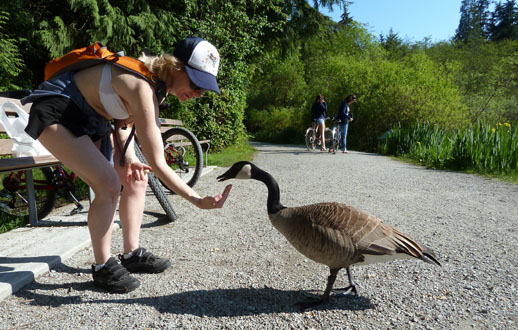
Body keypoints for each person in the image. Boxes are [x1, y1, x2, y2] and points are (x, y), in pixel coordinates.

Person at [21, 37, 232, 293]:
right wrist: (197, 200)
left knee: (136, 178)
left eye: (204, 88)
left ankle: (131, 254)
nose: (198, 93)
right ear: (176, 67)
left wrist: (130, 158)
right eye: (197, 83)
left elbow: (124, 122)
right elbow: (158, 162)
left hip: (89, 119)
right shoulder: (142, 86)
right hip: (58, 112)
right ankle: (102, 267)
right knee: (108, 185)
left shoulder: (154, 85)